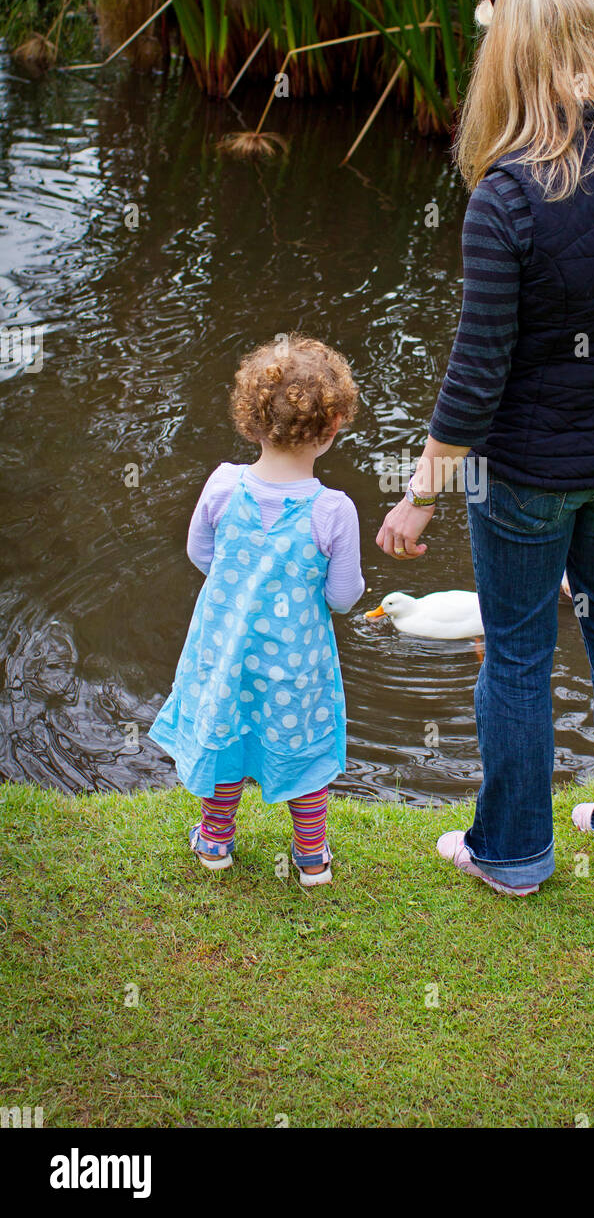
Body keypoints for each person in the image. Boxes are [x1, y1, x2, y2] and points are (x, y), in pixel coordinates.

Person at [376, 0, 594, 897]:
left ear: (509, 59)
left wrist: (418, 499)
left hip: (528, 472)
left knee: (519, 649)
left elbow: (477, 379)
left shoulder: (512, 196)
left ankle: (513, 853)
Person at [150, 334, 364, 887]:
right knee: (301, 749)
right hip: (296, 663)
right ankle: (311, 858)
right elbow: (342, 597)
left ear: (251, 419)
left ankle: (216, 841)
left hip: (224, 648)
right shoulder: (333, 510)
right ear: (334, 423)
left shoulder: (223, 485)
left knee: (225, 734)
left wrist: (240, 585)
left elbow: (202, 553)